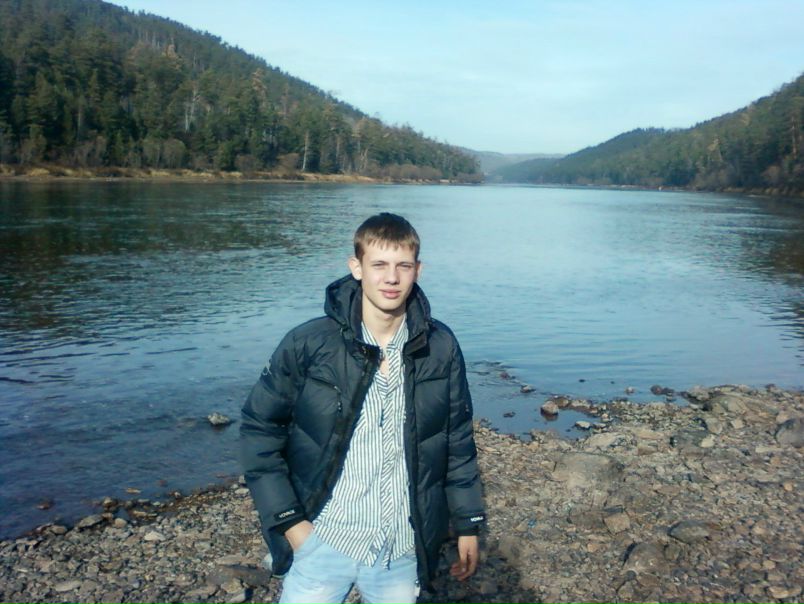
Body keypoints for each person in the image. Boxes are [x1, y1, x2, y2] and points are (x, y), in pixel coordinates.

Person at [240, 213, 485, 604]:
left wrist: (467, 522)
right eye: (379, 265)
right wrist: (291, 523)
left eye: (403, 266)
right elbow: (259, 430)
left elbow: (457, 440)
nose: (392, 278)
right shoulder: (310, 343)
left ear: (418, 270)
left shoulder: (439, 347)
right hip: (323, 539)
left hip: (399, 548)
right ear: (357, 267)